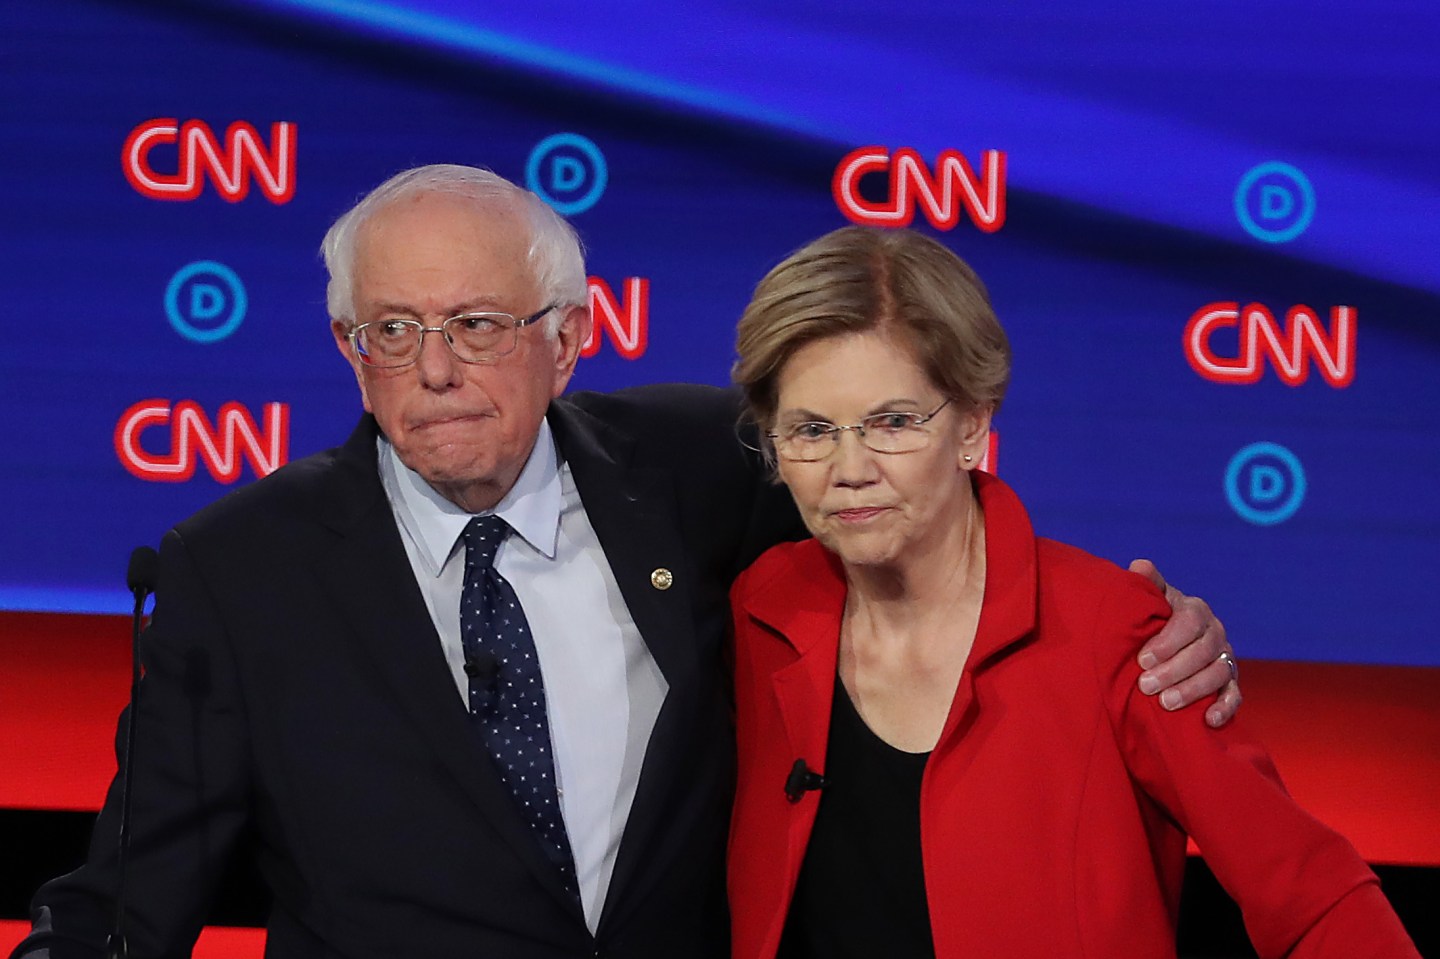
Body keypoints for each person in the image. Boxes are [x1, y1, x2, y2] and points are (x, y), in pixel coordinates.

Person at [13, 167, 1235, 959]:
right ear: (349, 348)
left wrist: (1137, 617)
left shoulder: (708, 469)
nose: (434, 371)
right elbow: (131, 895)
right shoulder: (239, 571)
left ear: (571, 337)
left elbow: (920, 525)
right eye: (392, 331)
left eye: (478, 326)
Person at [725, 226, 1418, 958]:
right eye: (811, 430)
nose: (850, 465)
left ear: (973, 421)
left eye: (893, 421)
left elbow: (1313, 893)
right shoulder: (752, 612)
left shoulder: (1120, 634)